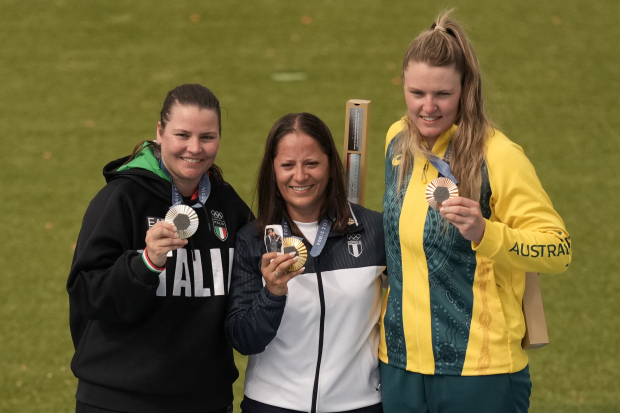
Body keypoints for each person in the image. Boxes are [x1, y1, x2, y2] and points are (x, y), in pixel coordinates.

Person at [380, 10, 572, 413]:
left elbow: (558, 249)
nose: (427, 108)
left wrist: (487, 233)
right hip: (398, 367)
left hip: (480, 376)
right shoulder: (396, 141)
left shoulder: (499, 156)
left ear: (465, 89)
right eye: (417, 93)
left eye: (442, 95)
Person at [67, 84, 253, 413]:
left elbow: (252, 281)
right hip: (118, 401)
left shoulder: (227, 205)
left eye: (207, 137)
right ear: (160, 132)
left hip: (205, 401)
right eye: (182, 135)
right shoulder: (121, 199)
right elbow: (86, 293)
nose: (194, 149)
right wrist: (146, 263)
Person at [226, 113, 386, 413]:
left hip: (359, 404)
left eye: (311, 163)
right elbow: (244, 340)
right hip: (272, 405)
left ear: (330, 166)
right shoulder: (253, 240)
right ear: (272, 170)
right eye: (288, 165)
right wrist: (272, 294)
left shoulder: (374, 230)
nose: (300, 176)